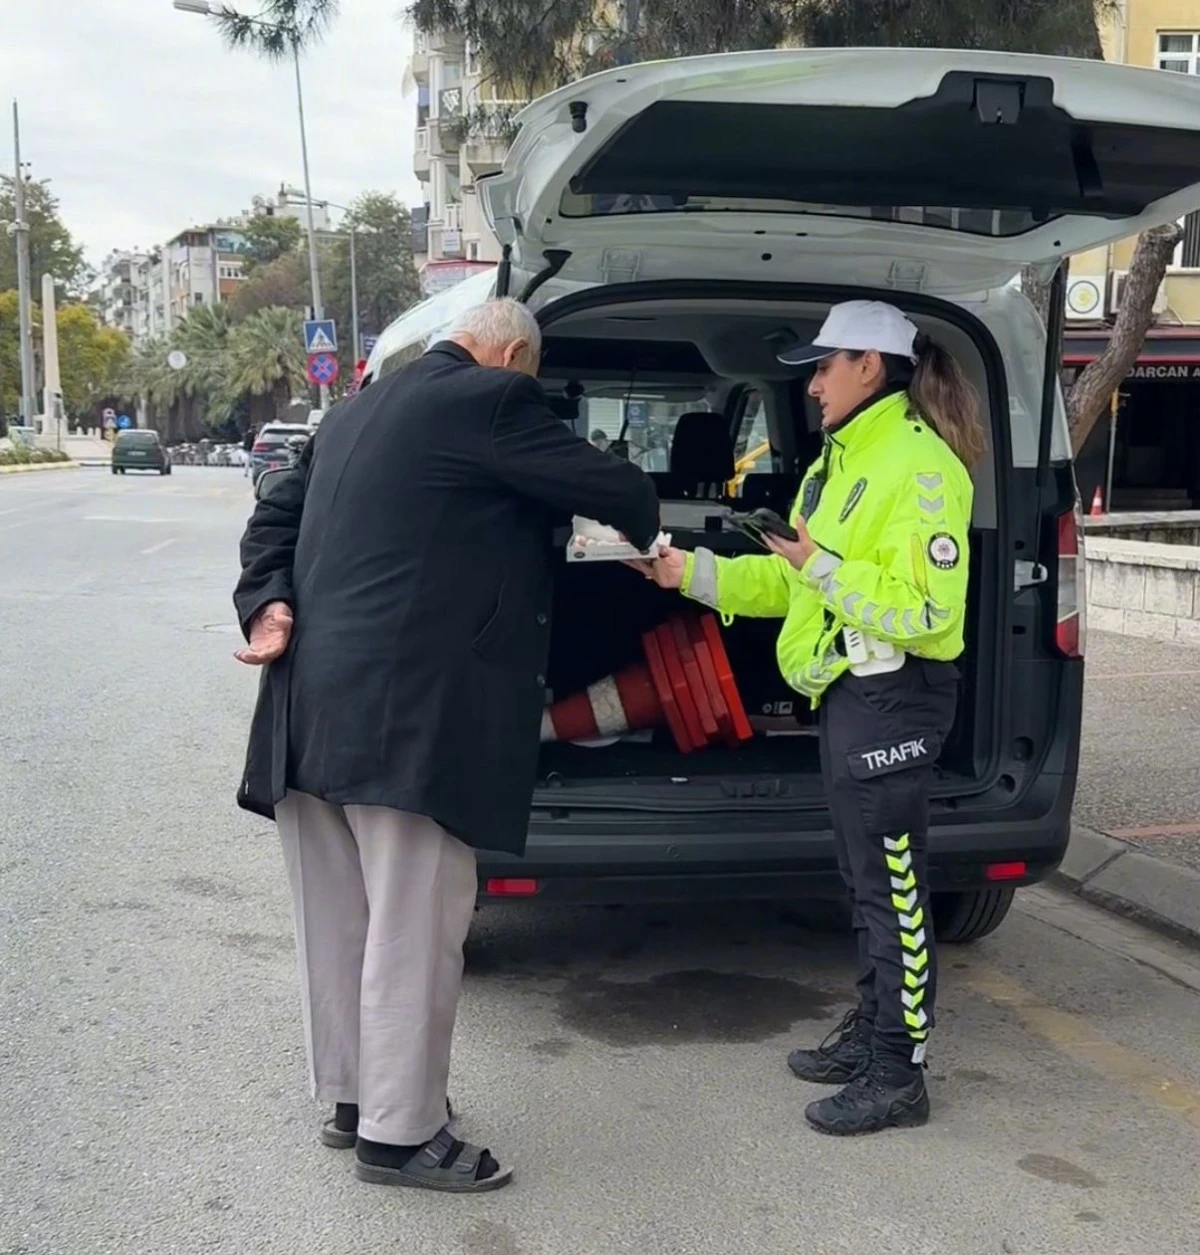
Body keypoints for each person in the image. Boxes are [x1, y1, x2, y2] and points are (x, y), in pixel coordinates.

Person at [232, 298, 659, 1193]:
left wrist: (267, 601)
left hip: (307, 705)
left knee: (339, 923)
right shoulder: (489, 400)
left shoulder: (352, 411)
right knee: (416, 926)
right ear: (509, 356)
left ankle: (356, 1102)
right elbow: (619, 492)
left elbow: (272, 519)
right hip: (410, 723)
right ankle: (403, 1134)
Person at [628, 300, 984, 1136]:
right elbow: (792, 585)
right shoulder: (840, 462)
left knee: (894, 887)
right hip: (852, 694)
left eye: (825, 366)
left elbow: (930, 612)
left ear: (871, 365)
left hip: (897, 692)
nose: (814, 383)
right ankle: (874, 1032)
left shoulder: (921, 468)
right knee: (866, 883)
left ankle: (899, 1071)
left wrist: (820, 564)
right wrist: (688, 572)